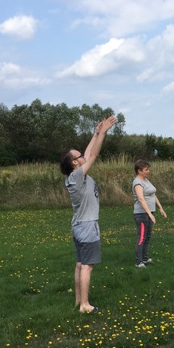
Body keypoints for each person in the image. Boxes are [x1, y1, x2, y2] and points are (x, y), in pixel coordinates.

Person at [60, 115, 117, 313]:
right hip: (86, 226)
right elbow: (92, 155)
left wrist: (95, 133)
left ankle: (78, 301)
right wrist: (103, 133)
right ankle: (85, 305)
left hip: (78, 226)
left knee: (79, 264)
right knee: (87, 266)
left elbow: (87, 152)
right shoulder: (77, 176)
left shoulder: (75, 175)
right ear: (75, 163)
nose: (82, 156)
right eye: (78, 156)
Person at [132, 159, 167, 267]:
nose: (148, 171)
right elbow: (141, 199)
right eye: (146, 169)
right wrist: (149, 214)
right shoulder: (137, 182)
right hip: (141, 214)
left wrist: (160, 208)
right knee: (141, 238)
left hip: (149, 213)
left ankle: (145, 258)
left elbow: (153, 194)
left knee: (147, 237)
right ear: (139, 171)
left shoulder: (146, 180)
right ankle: (139, 262)